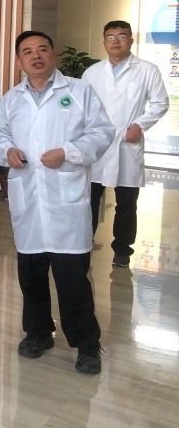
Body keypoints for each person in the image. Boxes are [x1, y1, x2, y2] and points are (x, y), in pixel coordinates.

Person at [0, 30, 114, 375]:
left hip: (66, 200)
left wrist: (69, 152)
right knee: (31, 274)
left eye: (42, 49)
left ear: (53, 54)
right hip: (28, 198)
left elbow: (102, 132)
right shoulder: (12, 99)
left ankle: (86, 343)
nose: (36, 56)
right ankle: (38, 332)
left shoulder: (78, 91)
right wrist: (7, 151)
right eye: (27, 51)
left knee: (72, 277)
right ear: (19, 60)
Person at [82, 21, 168, 267]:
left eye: (122, 36)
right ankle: (83, 243)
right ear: (104, 42)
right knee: (89, 199)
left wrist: (140, 125)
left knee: (127, 202)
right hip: (97, 143)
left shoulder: (147, 70)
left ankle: (122, 250)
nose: (116, 41)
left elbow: (160, 103)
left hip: (127, 143)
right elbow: (82, 106)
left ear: (131, 40)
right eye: (110, 37)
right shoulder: (92, 72)